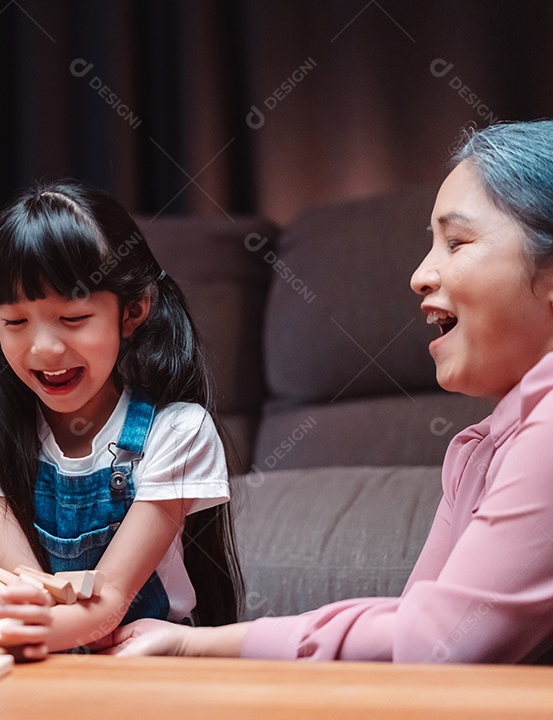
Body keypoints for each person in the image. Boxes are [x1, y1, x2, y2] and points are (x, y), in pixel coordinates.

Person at [110, 120, 553, 664]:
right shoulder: (480, 447)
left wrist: (198, 643)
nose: (420, 275)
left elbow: (437, 642)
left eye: (457, 242)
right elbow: (420, 621)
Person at [0, 180, 243, 653]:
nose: (43, 349)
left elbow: (109, 602)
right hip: (42, 661)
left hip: (149, 664)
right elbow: (27, 596)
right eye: (14, 322)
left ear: (133, 311)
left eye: (73, 318)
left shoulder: (178, 432)